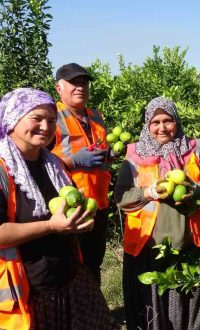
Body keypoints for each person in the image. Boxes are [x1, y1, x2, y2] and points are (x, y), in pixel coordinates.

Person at [0, 88, 110, 329]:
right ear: (12, 119)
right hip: (29, 289)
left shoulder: (54, 164)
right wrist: (51, 226)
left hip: (70, 276)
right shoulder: (3, 170)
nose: (46, 126)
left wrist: (81, 219)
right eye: (36, 118)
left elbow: (68, 211)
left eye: (51, 120)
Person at [114, 97, 200, 330]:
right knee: (151, 310)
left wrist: (195, 189)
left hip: (187, 242)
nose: (162, 128)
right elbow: (121, 197)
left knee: (186, 306)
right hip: (147, 246)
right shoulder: (134, 154)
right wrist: (149, 192)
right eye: (155, 122)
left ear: (177, 121)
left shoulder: (197, 148)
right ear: (147, 125)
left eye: (168, 120)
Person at [51, 63, 111, 282]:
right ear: (59, 88)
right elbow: (36, 161)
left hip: (98, 203)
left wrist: (108, 154)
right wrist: (73, 161)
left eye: (84, 82)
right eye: (74, 83)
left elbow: (97, 147)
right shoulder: (51, 118)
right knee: (74, 264)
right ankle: (79, 314)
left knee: (94, 261)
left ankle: (97, 313)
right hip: (70, 206)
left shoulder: (95, 116)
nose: (80, 87)